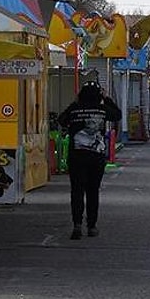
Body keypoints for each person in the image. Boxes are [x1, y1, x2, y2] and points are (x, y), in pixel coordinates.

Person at [57, 81, 122, 240]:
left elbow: (61, 120)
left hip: (76, 157)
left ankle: (77, 225)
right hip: (96, 158)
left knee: (77, 191)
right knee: (93, 191)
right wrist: (106, 99)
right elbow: (117, 115)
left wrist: (75, 104)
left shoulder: (75, 108)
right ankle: (91, 226)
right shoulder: (102, 109)